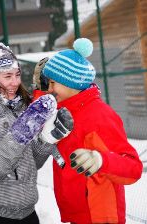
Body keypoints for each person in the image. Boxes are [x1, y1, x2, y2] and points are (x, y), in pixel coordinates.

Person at [38, 38, 143, 224]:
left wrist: (101, 160)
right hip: (78, 213)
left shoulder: (99, 117)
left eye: (52, 83)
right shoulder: (65, 109)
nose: (49, 89)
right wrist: (39, 90)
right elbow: (42, 106)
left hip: (99, 215)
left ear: (70, 83)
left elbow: (133, 168)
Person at [0, 42, 73, 224]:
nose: (15, 82)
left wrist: (47, 139)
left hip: (28, 213)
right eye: (7, 76)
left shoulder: (22, 105)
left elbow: (32, 164)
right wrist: (19, 134)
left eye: (17, 74)